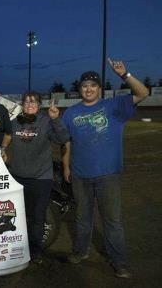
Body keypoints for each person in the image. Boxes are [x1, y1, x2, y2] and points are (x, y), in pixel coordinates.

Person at [62, 59, 149, 278]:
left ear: (99, 88)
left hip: (108, 175)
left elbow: (143, 93)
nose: (88, 89)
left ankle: (118, 261)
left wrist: (125, 74)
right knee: (82, 219)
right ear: (80, 89)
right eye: (84, 86)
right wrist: (66, 166)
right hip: (80, 175)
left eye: (92, 85)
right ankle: (81, 251)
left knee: (112, 221)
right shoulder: (70, 113)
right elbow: (67, 143)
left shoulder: (114, 106)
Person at [6, 92, 69, 263]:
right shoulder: (14, 122)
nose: (29, 104)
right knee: (18, 216)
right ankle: (18, 248)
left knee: (38, 216)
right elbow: (2, 136)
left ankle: (35, 252)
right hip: (18, 177)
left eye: (33, 102)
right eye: (26, 101)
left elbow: (63, 138)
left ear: (39, 105)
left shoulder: (46, 121)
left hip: (41, 178)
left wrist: (56, 119)